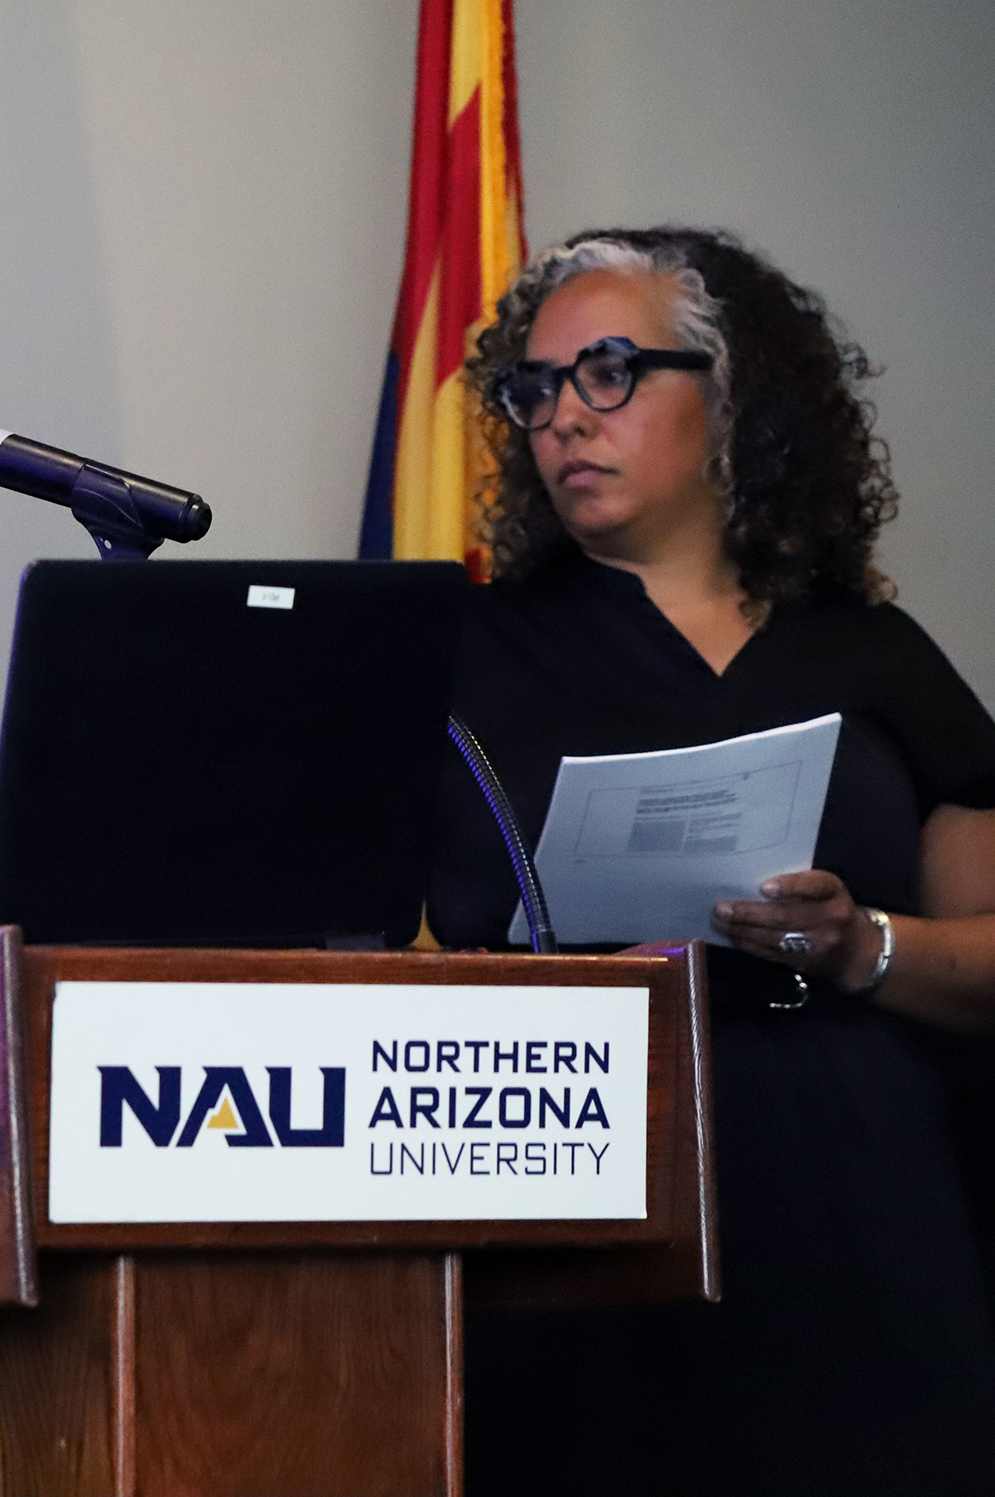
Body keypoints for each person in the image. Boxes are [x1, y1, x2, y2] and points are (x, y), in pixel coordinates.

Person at [428, 225, 995, 1495]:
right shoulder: (459, 653)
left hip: (854, 1181)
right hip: (569, 1168)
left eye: (612, 372)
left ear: (730, 396)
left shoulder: (871, 652)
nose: (565, 416)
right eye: (536, 387)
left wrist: (865, 946)